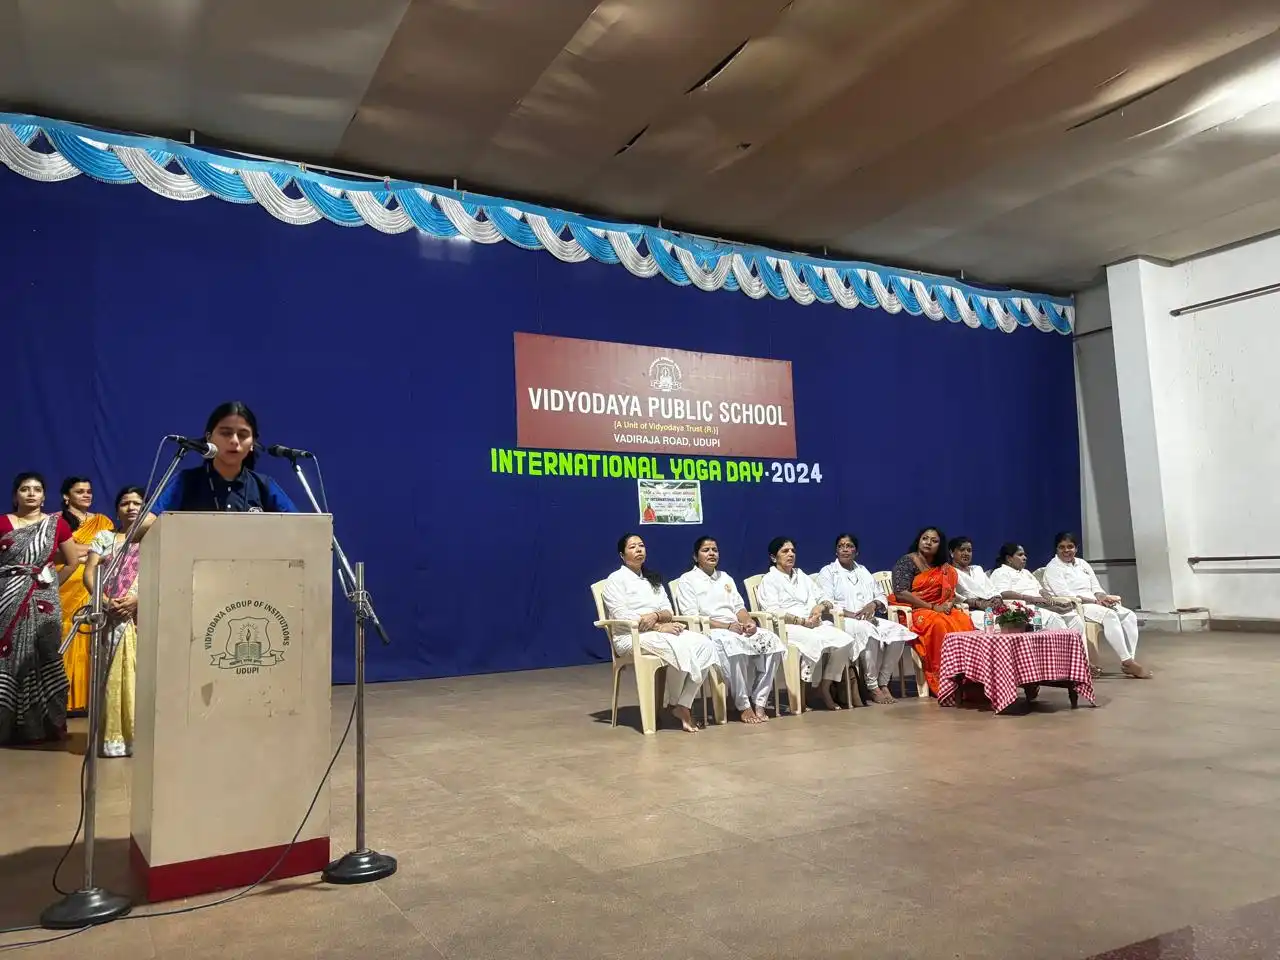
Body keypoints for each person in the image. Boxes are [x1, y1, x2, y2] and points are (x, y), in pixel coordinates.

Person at [601, 533, 726, 733]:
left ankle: (682, 704)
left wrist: (657, 616)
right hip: (630, 637)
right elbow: (622, 614)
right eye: (632, 547)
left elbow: (669, 611)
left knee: (704, 644)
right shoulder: (615, 580)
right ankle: (680, 706)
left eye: (641, 545)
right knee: (679, 646)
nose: (639, 549)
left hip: (659, 633)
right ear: (622, 555)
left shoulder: (653, 579)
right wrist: (659, 626)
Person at [0, 472, 79, 745]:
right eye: (25, 489)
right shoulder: (2, 523)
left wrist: (49, 586)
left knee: (45, 655)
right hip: (6, 597)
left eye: (37, 489)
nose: (31, 494)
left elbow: (71, 561)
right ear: (15, 495)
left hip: (44, 601)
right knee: (6, 655)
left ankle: (47, 726)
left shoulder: (57, 525)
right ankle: (6, 726)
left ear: (45, 497)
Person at [673, 536, 784, 724]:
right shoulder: (687, 580)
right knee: (733, 644)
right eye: (706, 550)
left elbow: (739, 607)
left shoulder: (725, 578)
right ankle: (743, 704)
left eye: (714, 550)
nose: (711, 554)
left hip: (736, 627)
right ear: (695, 556)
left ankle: (759, 701)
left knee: (772, 641)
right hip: (710, 630)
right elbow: (693, 617)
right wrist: (727, 626)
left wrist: (748, 622)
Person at [142, 401, 298, 525]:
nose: (234, 441)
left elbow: (300, 527)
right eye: (226, 433)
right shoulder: (186, 481)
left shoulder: (263, 486)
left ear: (252, 444)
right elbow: (146, 524)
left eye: (243, 435)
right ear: (209, 438)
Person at [756, 537, 860, 711]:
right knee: (814, 641)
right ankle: (803, 691)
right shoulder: (769, 580)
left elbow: (824, 598)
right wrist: (802, 621)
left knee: (845, 640)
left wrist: (820, 608)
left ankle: (824, 687)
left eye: (793, 551)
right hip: (787, 627)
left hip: (813, 622)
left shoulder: (801, 576)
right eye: (785, 551)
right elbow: (773, 612)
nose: (790, 554)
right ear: (774, 558)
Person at [816, 533, 917, 704]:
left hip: (867, 617)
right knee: (868, 631)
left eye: (849, 546)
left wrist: (873, 605)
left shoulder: (862, 571)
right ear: (836, 551)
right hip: (843, 620)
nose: (845, 549)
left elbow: (880, 595)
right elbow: (826, 602)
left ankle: (883, 682)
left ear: (856, 552)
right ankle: (872, 686)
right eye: (841, 546)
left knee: (899, 632)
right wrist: (850, 614)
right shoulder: (828, 572)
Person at [82, 487, 145, 758]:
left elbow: (165, 573)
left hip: (144, 616)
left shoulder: (155, 539)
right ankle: (113, 740)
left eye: (137, 503)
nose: (131, 507)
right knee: (110, 676)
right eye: (125, 503)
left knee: (140, 675)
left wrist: (137, 600)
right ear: (117, 508)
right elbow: (89, 573)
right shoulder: (105, 537)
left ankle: (140, 738)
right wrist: (105, 601)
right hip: (110, 616)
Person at [1043, 532, 1151, 679]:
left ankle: (1129, 660)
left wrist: (1103, 598)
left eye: (1070, 547)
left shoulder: (1083, 564)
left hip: (1095, 602)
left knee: (1129, 616)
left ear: (1076, 548)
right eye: (1062, 547)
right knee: (1110, 615)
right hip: (1077, 606)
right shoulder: (1053, 568)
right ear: (1056, 549)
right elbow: (1067, 596)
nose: (1066, 550)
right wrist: (1095, 602)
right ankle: (1127, 660)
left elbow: (1096, 588)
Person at [56, 476, 115, 714]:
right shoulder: (56, 521)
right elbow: (56, 553)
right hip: (65, 584)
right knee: (65, 634)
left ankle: (88, 700)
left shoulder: (103, 521)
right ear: (66, 496)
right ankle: (63, 699)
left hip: (93, 582)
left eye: (89, 491)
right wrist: (88, 551)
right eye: (80, 491)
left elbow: (110, 548)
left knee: (90, 635)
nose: (86, 495)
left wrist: (79, 553)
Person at [890, 526, 972, 697]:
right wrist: (933, 607)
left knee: (963, 621)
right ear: (918, 540)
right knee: (939, 624)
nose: (928, 543)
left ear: (939, 546)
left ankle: (967, 678)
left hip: (939, 608)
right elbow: (901, 593)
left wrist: (949, 602)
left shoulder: (942, 567)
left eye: (934, 541)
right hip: (914, 611)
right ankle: (945, 681)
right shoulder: (907, 561)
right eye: (925, 538)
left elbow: (949, 591)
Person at [950, 536, 1003, 629]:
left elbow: (992, 588)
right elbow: (953, 595)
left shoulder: (977, 569)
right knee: (998, 622)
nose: (966, 553)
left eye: (969, 550)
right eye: (962, 550)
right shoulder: (950, 571)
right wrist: (978, 603)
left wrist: (997, 599)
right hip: (972, 610)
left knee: (1015, 619)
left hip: (991, 607)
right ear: (952, 553)